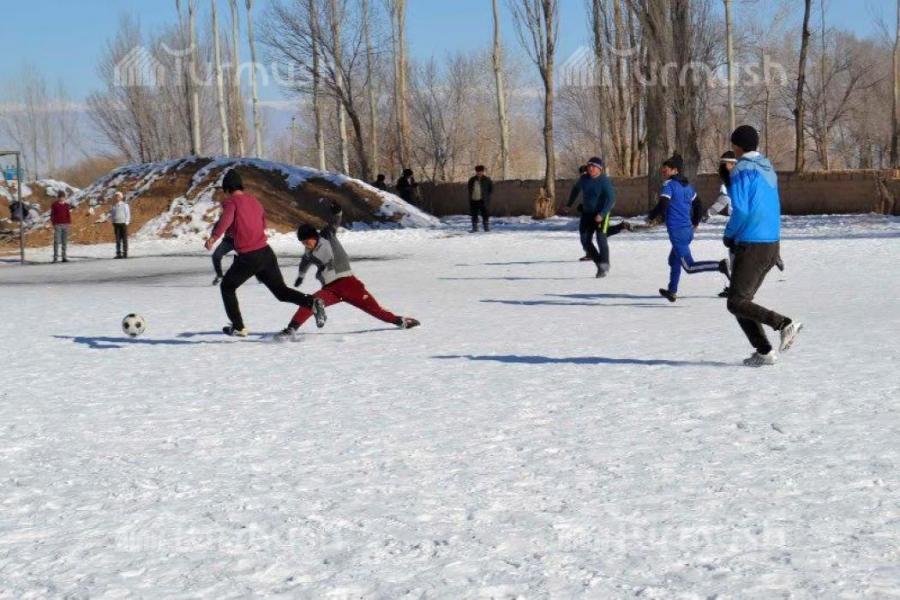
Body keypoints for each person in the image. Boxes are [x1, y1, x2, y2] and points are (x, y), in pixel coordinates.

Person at [204, 169, 326, 337]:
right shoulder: (254, 201)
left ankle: (238, 327)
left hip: (248, 256)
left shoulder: (231, 202)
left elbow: (226, 220)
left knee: (227, 287)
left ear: (227, 188)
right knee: (281, 292)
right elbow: (262, 224)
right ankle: (312, 302)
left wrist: (214, 237)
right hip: (265, 253)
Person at [274, 202, 420, 341]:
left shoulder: (326, 236)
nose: (306, 245)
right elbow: (304, 262)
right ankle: (290, 330)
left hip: (349, 285)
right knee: (310, 303)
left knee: (375, 310)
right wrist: (301, 275)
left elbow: (334, 223)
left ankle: (400, 321)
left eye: (307, 241)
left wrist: (337, 212)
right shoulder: (309, 252)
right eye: (303, 243)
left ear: (314, 236)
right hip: (330, 289)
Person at [724, 125, 801, 366]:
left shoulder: (741, 170)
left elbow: (741, 210)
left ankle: (784, 324)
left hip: (752, 243)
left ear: (737, 146)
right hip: (771, 243)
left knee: (736, 302)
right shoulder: (767, 167)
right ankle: (764, 352)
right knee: (741, 301)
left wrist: (729, 234)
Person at [647, 154, 729, 303]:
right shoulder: (687, 186)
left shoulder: (669, 185)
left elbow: (663, 203)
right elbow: (698, 204)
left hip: (677, 232)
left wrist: (651, 216)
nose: (663, 172)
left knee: (689, 267)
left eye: (666, 170)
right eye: (663, 170)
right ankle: (672, 291)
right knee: (673, 260)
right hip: (687, 230)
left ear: (675, 170)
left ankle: (720, 265)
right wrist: (695, 222)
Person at [565, 156, 615, 277]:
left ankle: (605, 264)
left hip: (602, 214)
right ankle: (600, 264)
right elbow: (575, 189)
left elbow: (611, 199)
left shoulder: (604, 181)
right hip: (587, 214)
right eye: (589, 166)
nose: (590, 168)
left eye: (593, 166)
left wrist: (602, 214)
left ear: (599, 169)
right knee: (585, 241)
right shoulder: (584, 179)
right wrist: (569, 204)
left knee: (601, 238)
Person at [467, 165, 494, 232]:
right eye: (478, 171)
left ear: (483, 171)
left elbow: (491, 189)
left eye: (480, 171)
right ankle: (475, 228)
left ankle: (486, 227)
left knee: (485, 214)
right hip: (474, 199)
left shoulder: (487, 180)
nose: (479, 173)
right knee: (474, 214)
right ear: (476, 172)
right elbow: (469, 189)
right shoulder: (472, 180)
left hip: (483, 200)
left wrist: (486, 196)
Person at [210, 215, 235, 286]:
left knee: (251, 257)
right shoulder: (227, 213)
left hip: (242, 240)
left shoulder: (244, 214)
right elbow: (219, 225)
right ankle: (219, 275)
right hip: (228, 241)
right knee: (216, 256)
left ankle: (259, 276)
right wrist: (213, 236)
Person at [50, 190, 72, 263]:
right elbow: (52, 214)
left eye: (63, 197)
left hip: (65, 224)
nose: (62, 198)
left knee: (64, 241)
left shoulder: (66, 205)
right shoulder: (54, 205)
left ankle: (64, 257)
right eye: (60, 197)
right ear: (58, 197)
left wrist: (69, 223)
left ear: (64, 198)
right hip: (58, 225)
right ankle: (55, 258)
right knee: (56, 241)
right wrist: (53, 223)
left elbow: (68, 214)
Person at [109, 192, 131, 259]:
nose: (117, 198)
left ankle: (125, 253)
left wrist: (126, 222)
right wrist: (113, 221)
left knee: (124, 239)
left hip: (123, 224)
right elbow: (112, 214)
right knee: (118, 240)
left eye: (118, 196)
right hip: (116, 224)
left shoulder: (125, 205)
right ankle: (118, 253)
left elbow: (127, 214)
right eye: (116, 196)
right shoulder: (114, 206)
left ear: (121, 197)